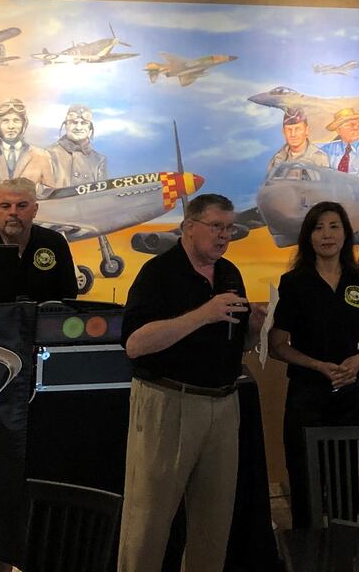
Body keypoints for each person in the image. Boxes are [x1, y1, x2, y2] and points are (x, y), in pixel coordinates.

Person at [118, 192, 265, 572]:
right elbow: (135, 344)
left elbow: (237, 345)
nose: (223, 236)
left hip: (223, 404)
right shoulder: (158, 274)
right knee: (148, 522)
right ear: (188, 228)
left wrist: (254, 329)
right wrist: (202, 314)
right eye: (215, 226)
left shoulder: (230, 273)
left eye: (229, 228)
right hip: (169, 403)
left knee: (213, 526)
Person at [270, 201, 359, 530]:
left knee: (349, 482)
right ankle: (308, 552)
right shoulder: (293, 283)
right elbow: (278, 347)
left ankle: (345, 552)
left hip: (352, 395)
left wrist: (358, 360)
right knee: (306, 479)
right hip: (307, 395)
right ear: (308, 237)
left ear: (346, 234)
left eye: (334, 226)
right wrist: (318, 365)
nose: (326, 234)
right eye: (318, 227)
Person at [0, 176, 78, 300]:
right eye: (5, 206)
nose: (13, 212)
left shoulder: (54, 243)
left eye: (21, 206)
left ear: (35, 210)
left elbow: (68, 296)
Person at [0, 98, 49, 193]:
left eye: (16, 120)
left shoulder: (41, 156)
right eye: (5, 121)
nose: (11, 126)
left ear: (24, 124)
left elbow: (52, 198)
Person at [47, 104, 108, 187]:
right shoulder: (48, 154)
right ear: (66, 126)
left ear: (90, 128)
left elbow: (102, 196)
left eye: (83, 123)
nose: (78, 128)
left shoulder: (99, 160)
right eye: (73, 123)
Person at [268, 107, 329, 176]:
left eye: (297, 129)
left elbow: (324, 185)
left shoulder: (318, 158)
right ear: (283, 132)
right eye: (289, 130)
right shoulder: (277, 159)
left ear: (306, 130)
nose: (293, 134)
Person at [321, 108, 359, 178]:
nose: (355, 127)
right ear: (339, 131)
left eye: (357, 124)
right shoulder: (328, 149)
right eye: (349, 125)